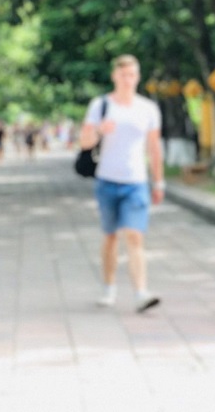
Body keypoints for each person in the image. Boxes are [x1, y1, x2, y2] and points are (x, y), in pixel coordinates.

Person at [79, 54, 165, 313]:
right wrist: (98, 131)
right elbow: (84, 142)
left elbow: (154, 147)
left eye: (132, 75)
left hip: (136, 182)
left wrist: (159, 182)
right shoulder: (101, 105)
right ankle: (108, 287)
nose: (128, 80)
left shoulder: (148, 108)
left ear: (138, 77)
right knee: (110, 238)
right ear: (115, 76)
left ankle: (141, 293)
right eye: (123, 74)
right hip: (107, 181)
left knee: (134, 236)